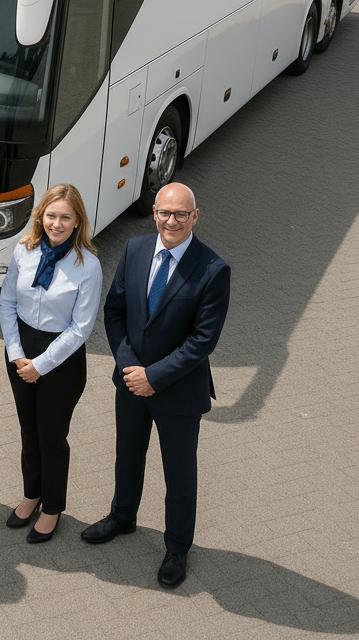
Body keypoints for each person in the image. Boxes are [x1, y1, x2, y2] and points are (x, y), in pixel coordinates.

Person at [81, 182, 231, 588]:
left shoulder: (213, 270)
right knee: (127, 456)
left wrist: (154, 377)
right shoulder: (135, 249)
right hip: (131, 382)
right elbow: (115, 311)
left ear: (195, 217)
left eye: (181, 214)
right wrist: (131, 367)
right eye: (165, 213)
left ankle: (178, 547)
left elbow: (203, 340)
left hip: (178, 392)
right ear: (154, 212)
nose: (172, 221)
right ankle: (122, 517)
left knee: (179, 476)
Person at [0, 184, 102, 544]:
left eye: (66, 218)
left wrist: (39, 365)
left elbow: (80, 329)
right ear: (41, 215)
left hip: (61, 360)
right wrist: (15, 354)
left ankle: (53, 507)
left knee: (52, 438)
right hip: (20, 351)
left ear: (77, 223)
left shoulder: (88, 265)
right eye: (51, 215)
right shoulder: (24, 251)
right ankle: (32, 494)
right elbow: (7, 303)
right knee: (29, 432)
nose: (57, 223)